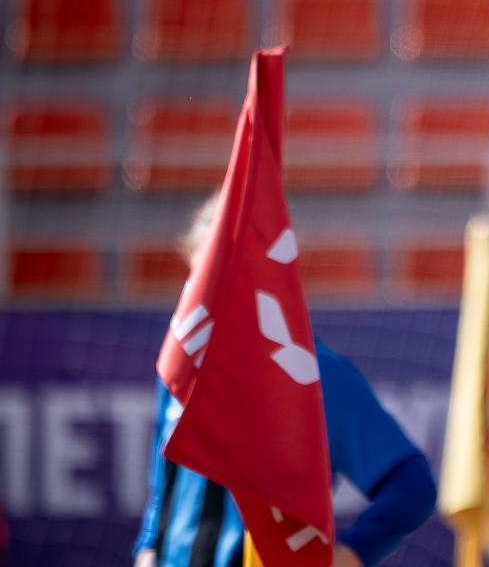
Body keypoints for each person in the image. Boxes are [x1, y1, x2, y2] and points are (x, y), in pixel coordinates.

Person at [134, 196, 438, 567]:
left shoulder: (313, 374)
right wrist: (148, 549)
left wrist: (349, 554)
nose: (215, 290)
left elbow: (412, 486)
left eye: (232, 269)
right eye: (206, 277)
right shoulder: (181, 364)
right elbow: (163, 487)